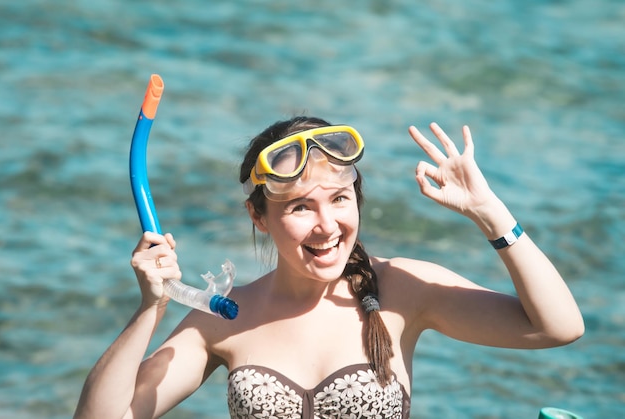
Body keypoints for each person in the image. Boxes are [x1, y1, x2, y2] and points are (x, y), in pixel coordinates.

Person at [75, 116, 584, 418]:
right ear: (260, 215)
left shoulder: (403, 289)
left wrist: (489, 213)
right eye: (300, 207)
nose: (327, 225)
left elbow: (556, 327)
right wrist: (152, 307)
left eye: (340, 199)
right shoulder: (224, 317)